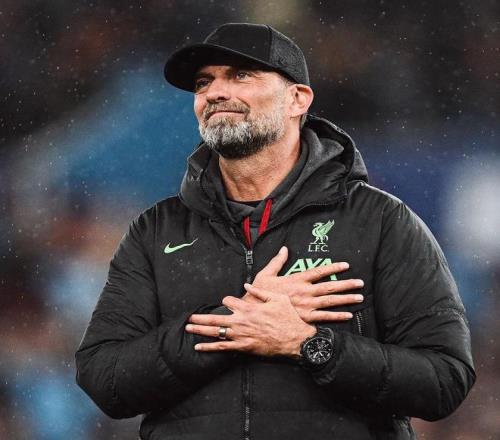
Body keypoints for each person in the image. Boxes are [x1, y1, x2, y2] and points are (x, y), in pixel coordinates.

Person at [75, 23, 475, 440]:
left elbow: (444, 379)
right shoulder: (156, 230)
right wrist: (232, 323)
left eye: (240, 75)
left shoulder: (380, 221)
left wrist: (308, 344)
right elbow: (105, 378)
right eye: (203, 82)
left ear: (297, 99)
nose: (215, 92)